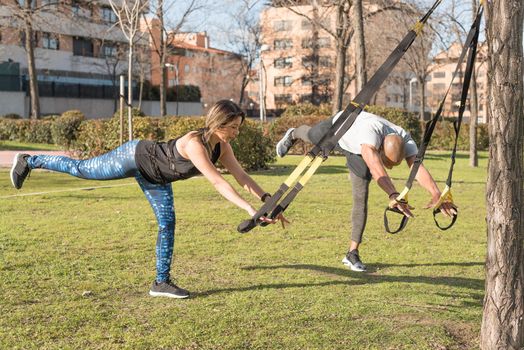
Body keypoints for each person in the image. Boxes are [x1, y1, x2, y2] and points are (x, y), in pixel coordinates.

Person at [10, 100, 287, 299]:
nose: (237, 133)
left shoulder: (222, 146)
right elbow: (217, 180)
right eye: (234, 127)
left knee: (167, 224)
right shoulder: (195, 143)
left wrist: (267, 200)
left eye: (239, 127)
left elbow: (241, 177)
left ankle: (161, 282)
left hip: (156, 178)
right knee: (83, 169)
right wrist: (249, 208)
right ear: (218, 123)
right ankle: (30, 160)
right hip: (134, 156)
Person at [275, 110, 456, 272]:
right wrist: (393, 194)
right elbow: (377, 168)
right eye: (389, 164)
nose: (391, 168)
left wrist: (436, 194)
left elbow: (416, 167)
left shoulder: (404, 138)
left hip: (357, 150)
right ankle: (292, 133)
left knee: (361, 198)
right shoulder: (370, 140)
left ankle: (352, 253)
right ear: (380, 150)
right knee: (310, 134)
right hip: (340, 127)